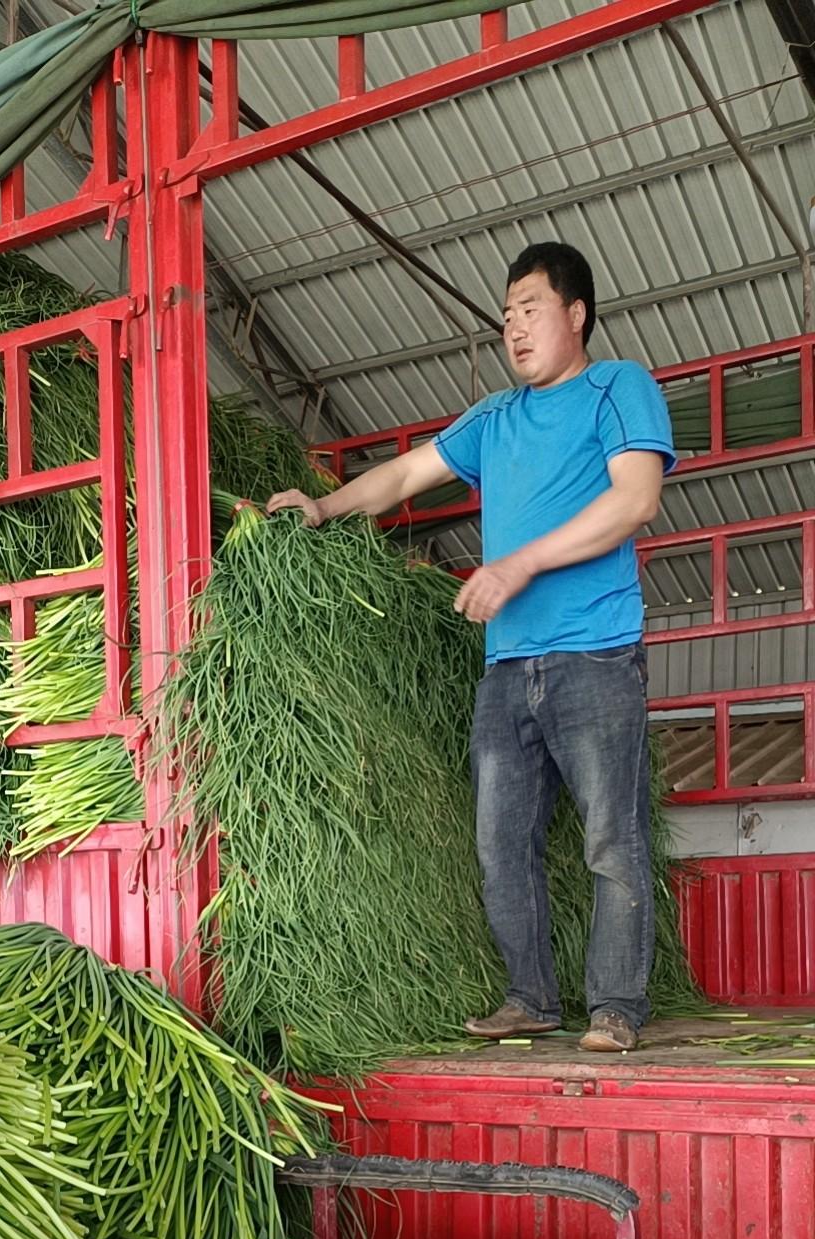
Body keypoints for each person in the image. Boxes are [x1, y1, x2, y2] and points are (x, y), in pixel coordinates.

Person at [267, 240, 675, 1053]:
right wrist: (321, 506)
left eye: (530, 310)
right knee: (499, 840)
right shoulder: (494, 418)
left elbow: (636, 502)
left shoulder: (616, 387)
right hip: (507, 669)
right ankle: (531, 997)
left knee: (611, 837)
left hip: (595, 656)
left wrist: (517, 563)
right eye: (505, 317)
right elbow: (401, 476)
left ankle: (617, 1007)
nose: (514, 329)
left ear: (575, 313)